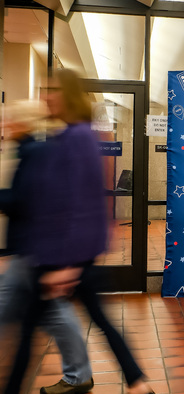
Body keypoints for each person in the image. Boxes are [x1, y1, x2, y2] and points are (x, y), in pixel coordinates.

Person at [5, 69, 154, 394]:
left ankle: (135, 383)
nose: (45, 95)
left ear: (69, 95)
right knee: (92, 323)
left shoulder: (78, 138)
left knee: (35, 334)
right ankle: (137, 383)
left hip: (64, 260)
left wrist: (68, 266)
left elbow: (83, 205)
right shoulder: (66, 137)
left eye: (52, 89)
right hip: (56, 258)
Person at [0, 99, 94, 394]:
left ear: (24, 123)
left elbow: (24, 202)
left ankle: (79, 376)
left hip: (31, 250)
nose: (6, 125)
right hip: (30, 250)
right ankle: (79, 375)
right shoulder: (32, 150)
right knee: (51, 312)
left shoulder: (34, 152)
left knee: (21, 309)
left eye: (10, 119)